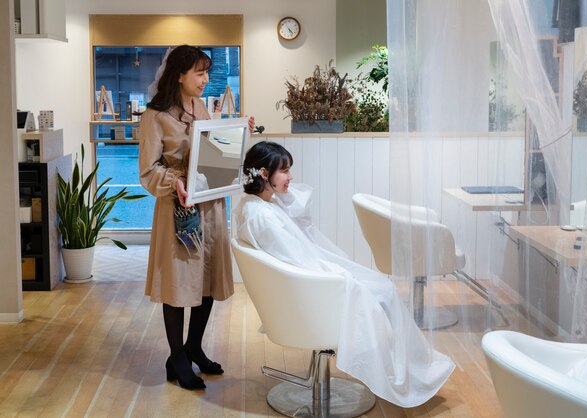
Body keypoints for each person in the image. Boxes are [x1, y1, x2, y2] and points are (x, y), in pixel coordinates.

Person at [233, 141, 456, 407]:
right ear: (264, 174)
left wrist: (278, 189)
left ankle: (411, 368)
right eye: (284, 171)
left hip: (308, 287)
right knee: (384, 292)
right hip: (312, 294)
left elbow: (299, 220)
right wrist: (342, 279)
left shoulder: (258, 206)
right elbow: (299, 262)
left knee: (383, 289)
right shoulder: (263, 217)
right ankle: (406, 373)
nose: (291, 177)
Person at [139, 45, 254, 390]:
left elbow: (213, 149)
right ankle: (177, 357)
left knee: (204, 279)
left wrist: (240, 131)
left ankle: (193, 348)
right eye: (200, 73)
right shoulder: (155, 115)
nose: (206, 79)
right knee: (177, 283)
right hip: (180, 207)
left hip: (210, 203)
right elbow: (147, 170)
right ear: (179, 75)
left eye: (207, 72)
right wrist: (177, 182)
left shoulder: (201, 106)